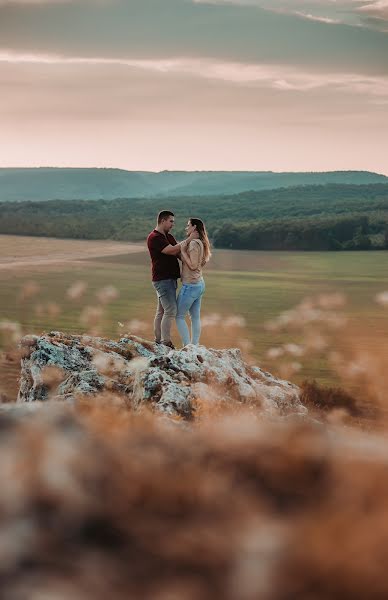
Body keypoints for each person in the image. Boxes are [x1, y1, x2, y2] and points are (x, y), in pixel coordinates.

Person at [147, 210, 198, 349]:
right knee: (170, 311)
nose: (173, 225)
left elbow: (178, 252)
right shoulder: (154, 237)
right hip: (162, 280)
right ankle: (165, 342)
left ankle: (158, 341)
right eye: (171, 221)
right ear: (162, 221)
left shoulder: (168, 236)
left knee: (162, 311)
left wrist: (194, 262)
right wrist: (189, 239)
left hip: (167, 279)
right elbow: (171, 250)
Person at [176, 218, 211, 347]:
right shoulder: (200, 242)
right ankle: (194, 345)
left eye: (188, 225)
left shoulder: (194, 244)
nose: (186, 228)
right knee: (195, 317)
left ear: (194, 227)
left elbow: (193, 265)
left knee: (179, 316)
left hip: (190, 286)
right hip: (199, 284)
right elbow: (199, 263)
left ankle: (187, 347)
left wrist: (183, 251)